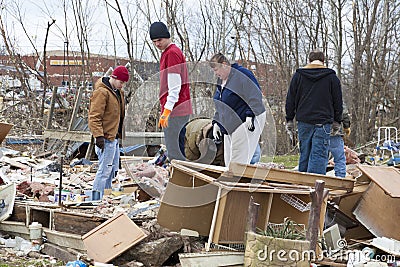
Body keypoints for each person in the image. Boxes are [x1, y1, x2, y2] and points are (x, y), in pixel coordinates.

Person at [285, 50, 343, 175]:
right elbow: (338, 101)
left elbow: (290, 99)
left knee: (305, 153)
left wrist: (289, 119)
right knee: (319, 155)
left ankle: (303, 185)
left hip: (304, 121)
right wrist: (337, 121)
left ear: (309, 61)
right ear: (323, 61)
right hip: (323, 122)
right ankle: (314, 187)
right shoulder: (331, 77)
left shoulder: (298, 76)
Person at [209, 53, 266, 166]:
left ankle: (239, 182)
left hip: (247, 119)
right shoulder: (221, 82)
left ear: (224, 64)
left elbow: (255, 94)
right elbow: (221, 104)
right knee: (229, 160)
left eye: (216, 70)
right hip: (230, 125)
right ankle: (232, 181)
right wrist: (216, 122)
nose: (216, 73)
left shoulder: (242, 74)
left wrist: (250, 114)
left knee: (238, 159)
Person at [149, 21, 192, 161]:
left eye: (159, 40)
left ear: (167, 36)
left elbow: (175, 87)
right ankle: (182, 178)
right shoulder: (169, 52)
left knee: (174, 153)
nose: (157, 44)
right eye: (154, 41)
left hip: (175, 110)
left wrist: (166, 111)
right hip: (178, 109)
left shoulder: (172, 53)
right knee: (177, 149)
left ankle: (179, 180)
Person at [88, 65, 129, 198]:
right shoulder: (102, 92)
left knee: (113, 170)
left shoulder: (118, 93)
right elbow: (94, 116)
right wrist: (98, 136)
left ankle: (106, 195)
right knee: (104, 171)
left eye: (124, 83)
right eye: (121, 82)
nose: (122, 85)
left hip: (114, 137)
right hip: (105, 137)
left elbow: (120, 115)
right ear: (114, 78)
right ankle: (96, 198)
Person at [329, 103, 351, 177]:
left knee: (320, 157)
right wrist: (346, 126)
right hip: (334, 131)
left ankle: (318, 181)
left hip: (318, 130)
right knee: (339, 158)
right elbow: (343, 112)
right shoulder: (335, 94)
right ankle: (340, 179)